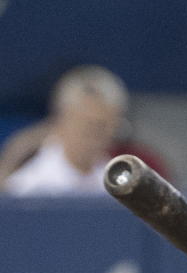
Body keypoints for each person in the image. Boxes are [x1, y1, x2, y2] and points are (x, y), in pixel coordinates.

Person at [1, 65, 128, 196]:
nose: (94, 137)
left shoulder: (120, 187)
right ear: (61, 121)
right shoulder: (29, 189)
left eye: (103, 127)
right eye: (87, 126)